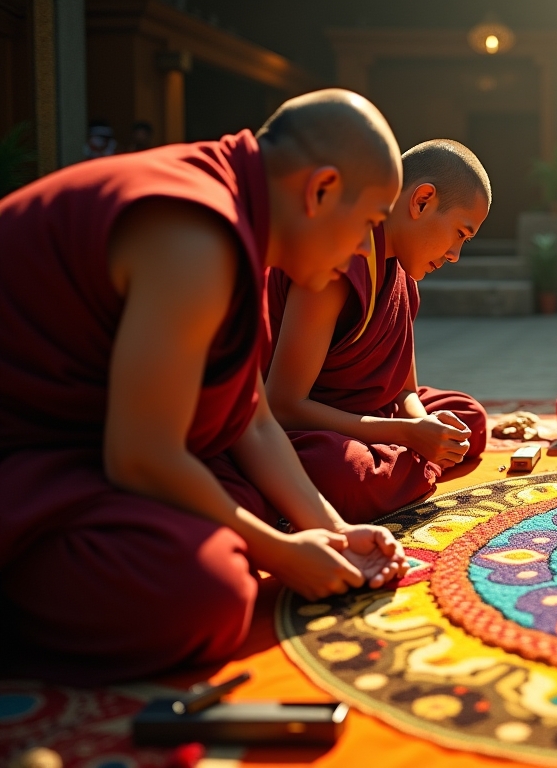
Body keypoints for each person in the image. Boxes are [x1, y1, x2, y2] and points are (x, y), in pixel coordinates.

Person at [0, 89, 411, 684]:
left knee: (235, 518)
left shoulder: (238, 224)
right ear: (320, 190)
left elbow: (254, 417)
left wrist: (331, 528)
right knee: (207, 592)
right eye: (369, 223)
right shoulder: (196, 233)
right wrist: (281, 554)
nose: (361, 250)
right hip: (31, 455)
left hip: (70, 450)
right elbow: (142, 457)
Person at [266, 139, 491, 524]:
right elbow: (283, 406)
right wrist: (408, 436)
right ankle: (410, 468)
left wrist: (424, 426)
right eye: (459, 233)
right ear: (421, 201)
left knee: (470, 419)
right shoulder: (336, 259)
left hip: (371, 419)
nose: (455, 255)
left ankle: (408, 467)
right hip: (309, 424)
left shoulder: (401, 270)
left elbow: (406, 390)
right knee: (350, 477)